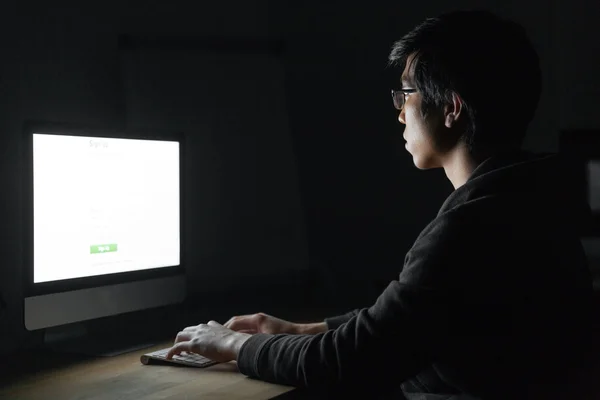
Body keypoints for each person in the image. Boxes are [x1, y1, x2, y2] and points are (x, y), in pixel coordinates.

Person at [167, 10, 595, 399]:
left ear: (451, 108)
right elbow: (409, 321)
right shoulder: (526, 201)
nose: (399, 113)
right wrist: (301, 329)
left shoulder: (472, 226)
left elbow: (352, 360)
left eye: (405, 94)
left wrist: (236, 345)